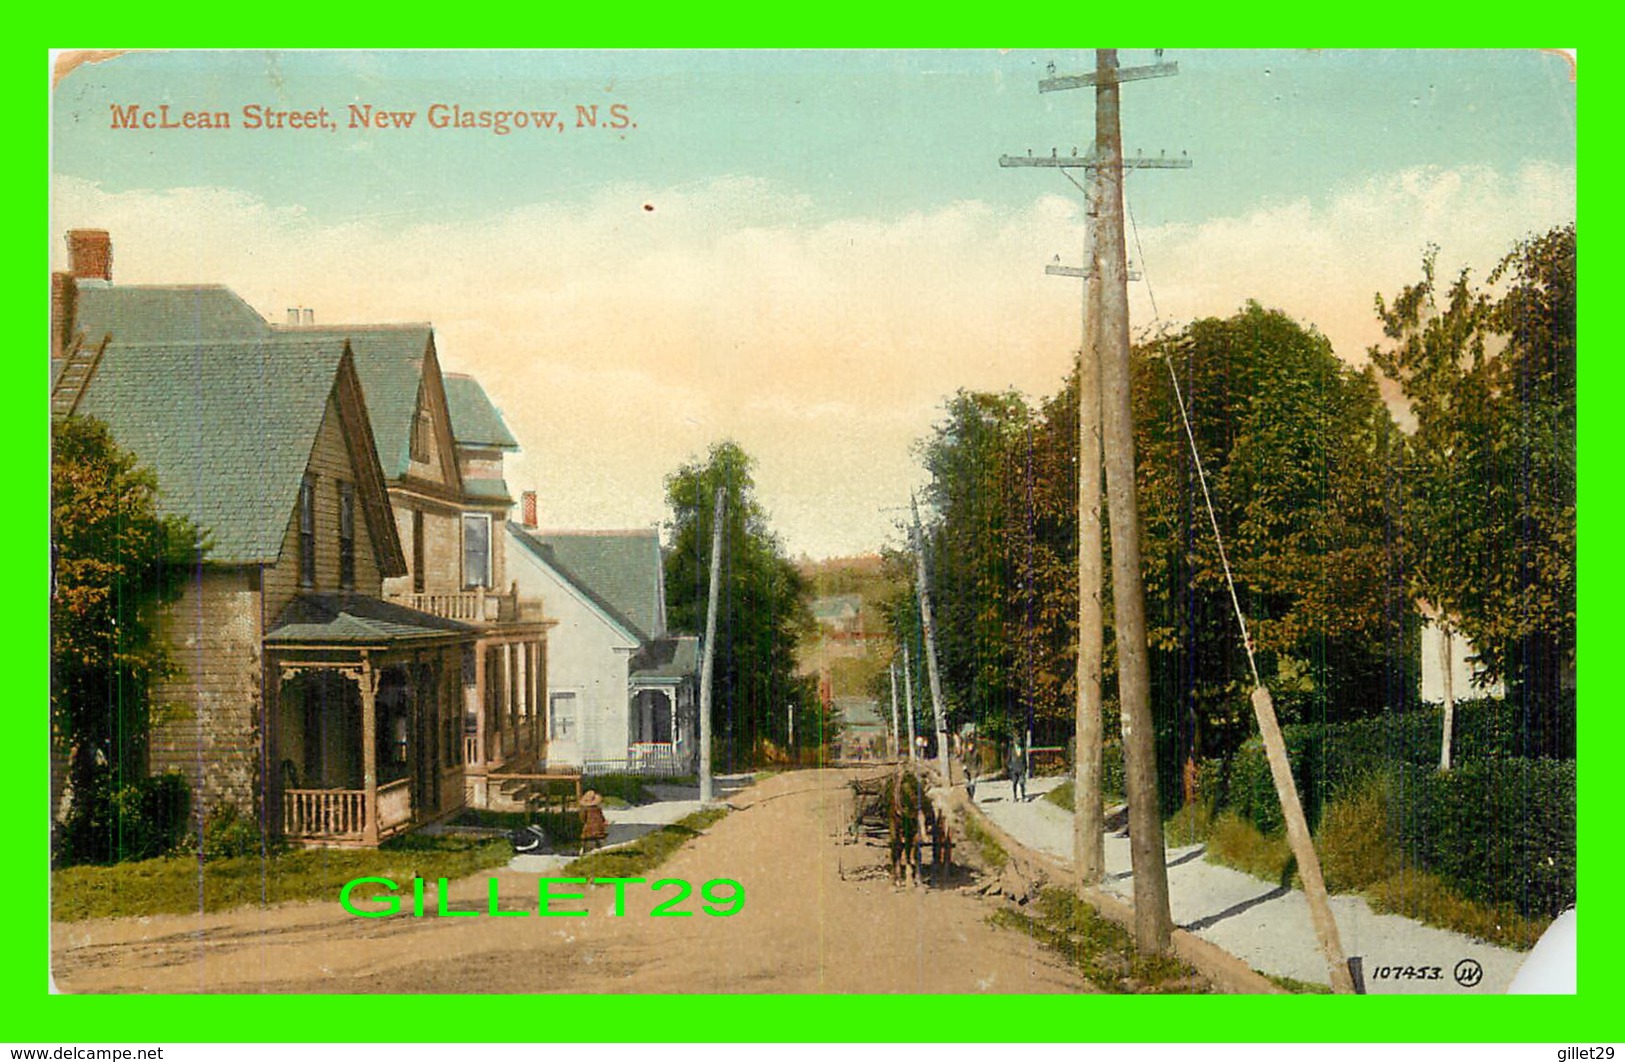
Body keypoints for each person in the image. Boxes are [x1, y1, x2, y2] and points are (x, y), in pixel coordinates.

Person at [1007, 738, 1027, 803]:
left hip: (1021, 768)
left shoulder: (1023, 749)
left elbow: (1024, 759)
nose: (1019, 742)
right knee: (1014, 783)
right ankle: (1015, 796)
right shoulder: (1011, 750)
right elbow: (1008, 759)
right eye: (1017, 741)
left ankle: (1023, 796)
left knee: (1022, 783)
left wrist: (1025, 767)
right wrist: (1010, 767)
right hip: (1014, 769)